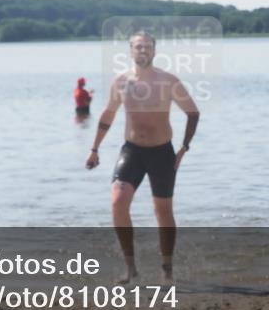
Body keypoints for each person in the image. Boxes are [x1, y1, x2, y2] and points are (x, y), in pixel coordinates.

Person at [85, 31, 200, 284]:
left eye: (147, 47)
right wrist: (94, 149)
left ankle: (167, 270)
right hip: (132, 150)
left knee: (163, 211)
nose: (143, 51)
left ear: (154, 51)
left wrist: (184, 148)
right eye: (138, 47)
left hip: (162, 152)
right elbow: (108, 114)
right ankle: (130, 268)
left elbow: (193, 113)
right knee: (117, 200)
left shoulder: (168, 81)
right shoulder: (121, 81)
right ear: (130, 51)